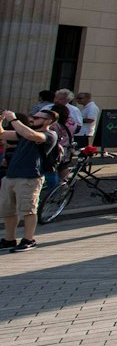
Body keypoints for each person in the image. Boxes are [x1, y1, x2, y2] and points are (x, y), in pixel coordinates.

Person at [1, 107, 53, 251]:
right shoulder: (23, 134)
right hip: (11, 175)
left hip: (30, 177)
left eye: (37, 118)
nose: (32, 119)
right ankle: (9, 240)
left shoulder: (48, 135)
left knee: (28, 210)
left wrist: (12, 118)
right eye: (32, 116)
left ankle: (29, 239)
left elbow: (29, 134)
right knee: (8, 210)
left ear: (48, 121)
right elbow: (3, 134)